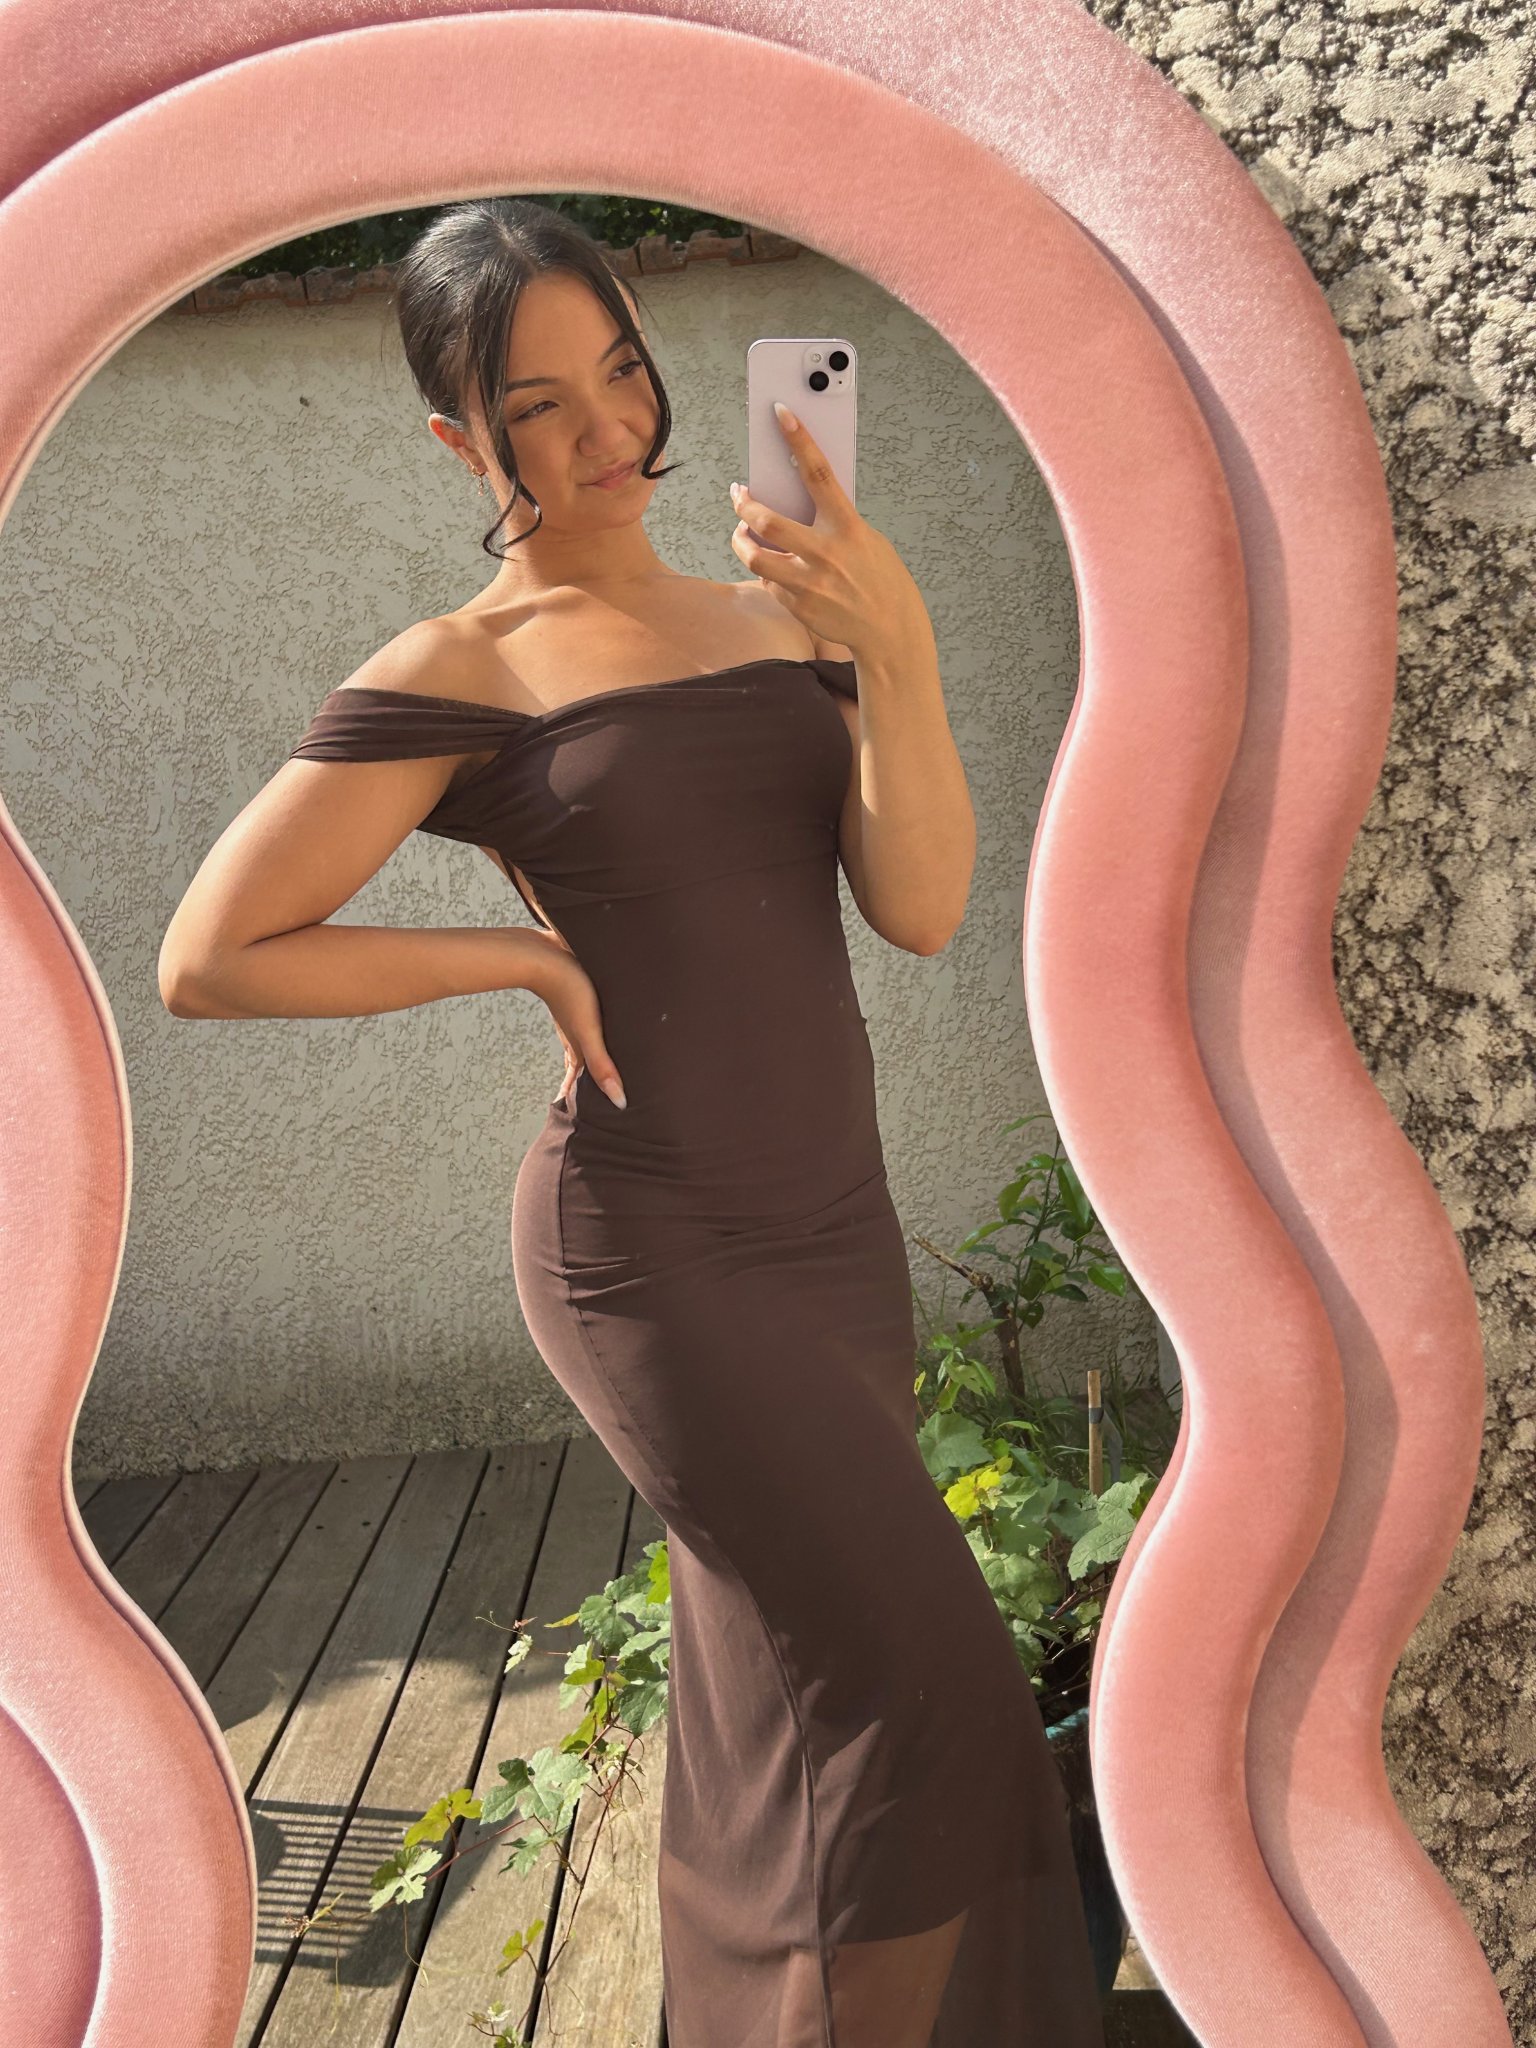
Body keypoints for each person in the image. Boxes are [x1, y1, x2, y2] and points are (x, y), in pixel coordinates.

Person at [158, 198, 1106, 2047]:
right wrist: (514, 956)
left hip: (834, 1230)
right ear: (462, 441)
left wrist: (895, 651)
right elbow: (213, 954)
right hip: (654, 1253)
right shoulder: (467, 665)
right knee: (921, 1699)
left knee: (782, 1709)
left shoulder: (784, 615)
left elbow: (917, 906)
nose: (607, 429)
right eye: (539, 404)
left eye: (623, 372)